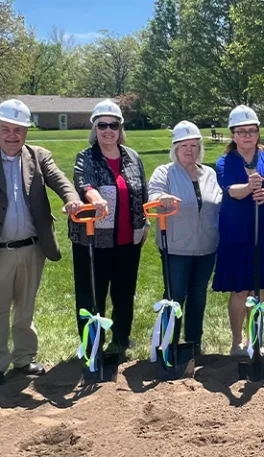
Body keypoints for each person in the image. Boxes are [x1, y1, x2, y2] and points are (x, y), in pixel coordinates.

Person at [0, 99, 82, 387]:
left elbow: (60, 180)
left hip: (32, 248)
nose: (12, 136)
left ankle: (24, 358)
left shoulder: (38, 156)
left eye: (18, 130)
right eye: (6, 129)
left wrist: (72, 200)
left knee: (25, 308)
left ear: (27, 131)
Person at [68, 99, 149, 359]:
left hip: (128, 239)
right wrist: (94, 197)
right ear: (94, 128)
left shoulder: (133, 157)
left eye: (113, 125)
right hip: (93, 240)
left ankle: (121, 338)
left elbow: (142, 192)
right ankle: (92, 343)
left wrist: (144, 222)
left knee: (124, 292)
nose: (108, 130)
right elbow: (82, 182)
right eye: (102, 125)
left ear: (120, 128)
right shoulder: (87, 156)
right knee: (92, 294)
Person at [147, 121, 222, 355]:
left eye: (194, 145)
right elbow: (153, 194)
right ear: (175, 148)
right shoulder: (165, 172)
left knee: (198, 296)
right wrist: (162, 198)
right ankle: (168, 345)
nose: (190, 150)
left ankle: (193, 344)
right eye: (184, 145)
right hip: (176, 247)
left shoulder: (208, 173)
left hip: (207, 246)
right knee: (175, 296)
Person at [213, 106, 264, 356]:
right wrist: (249, 186)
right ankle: (236, 343)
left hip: (263, 231)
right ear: (233, 135)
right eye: (241, 131)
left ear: (257, 133)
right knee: (240, 288)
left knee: (259, 288)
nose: (247, 136)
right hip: (236, 233)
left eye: (251, 131)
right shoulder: (225, 161)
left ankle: (256, 340)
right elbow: (231, 189)